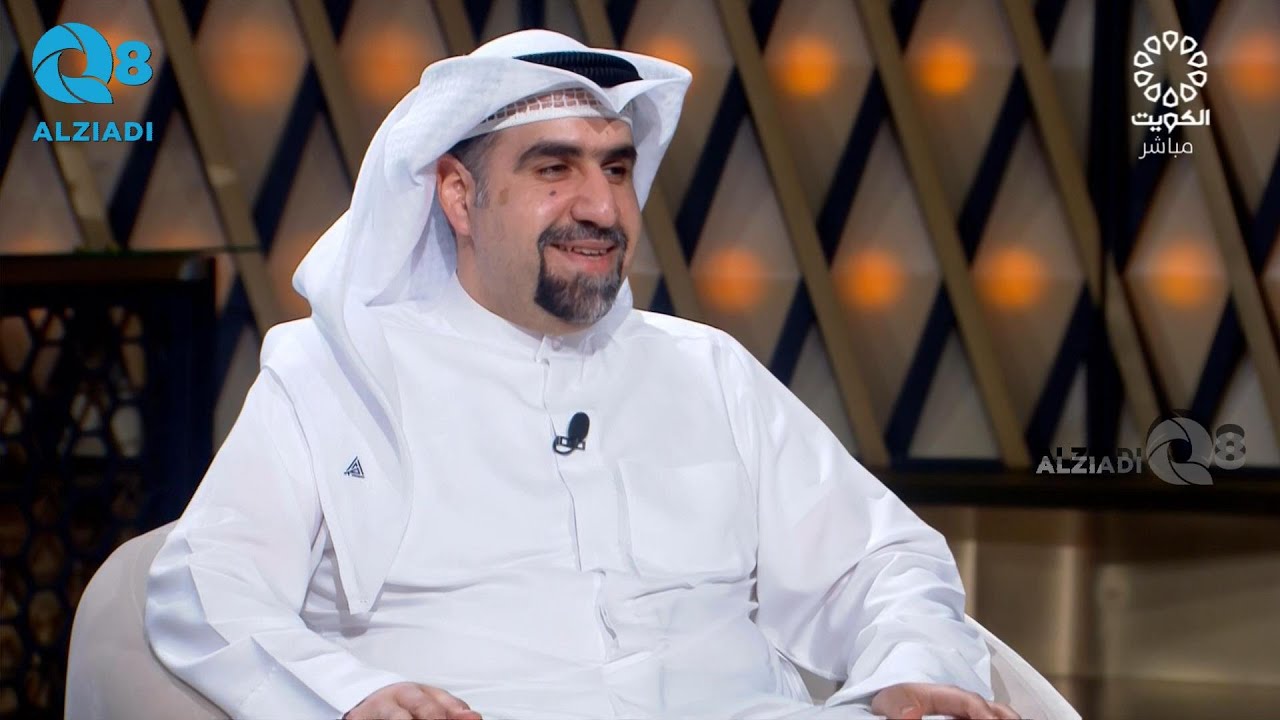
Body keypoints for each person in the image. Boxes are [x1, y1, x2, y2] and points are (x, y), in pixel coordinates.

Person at [144, 29, 1017, 720]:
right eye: (554, 169)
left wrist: (911, 665)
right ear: (458, 195)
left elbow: (879, 561)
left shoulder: (705, 368)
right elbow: (209, 584)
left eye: (617, 170)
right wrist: (350, 693)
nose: (601, 207)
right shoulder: (336, 374)